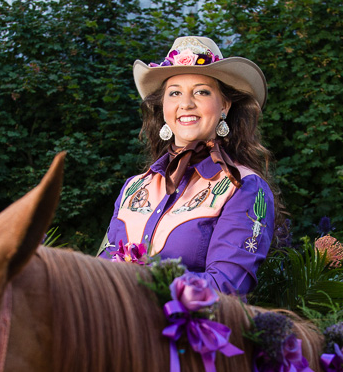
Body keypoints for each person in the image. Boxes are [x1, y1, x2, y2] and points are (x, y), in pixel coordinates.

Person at [101, 35, 276, 296]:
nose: (186, 103)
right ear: (163, 107)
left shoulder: (245, 188)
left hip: (188, 336)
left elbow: (226, 289)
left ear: (225, 106)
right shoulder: (134, 187)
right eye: (175, 93)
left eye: (201, 91)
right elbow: (100, 270)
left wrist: (138, 282)